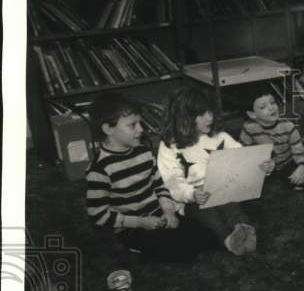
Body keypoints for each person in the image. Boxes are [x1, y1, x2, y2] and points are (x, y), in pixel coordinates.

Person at [86, 91, 215, 265]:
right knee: (183, 253)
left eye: (140, 123)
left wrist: (169, 211)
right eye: (132, 125)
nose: (141, 129)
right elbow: (98, 215)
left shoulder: (144, 152)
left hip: (158, 213)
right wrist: (139, 222)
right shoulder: (99, 169)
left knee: (207, 236)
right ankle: (140, 251)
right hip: (131, 226)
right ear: (109, 129)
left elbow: (159, 186)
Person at [157, 87, 270, 256]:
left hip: (222, 189)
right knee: (209, 215)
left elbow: (242, 157)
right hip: (192, 198)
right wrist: (192, 194)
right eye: (202, 114)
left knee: (231, 208)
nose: (209, 117)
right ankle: (227, 239)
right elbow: (172, 181)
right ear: (184, 118)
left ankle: (244, 230)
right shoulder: (170, 146)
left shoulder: (220, 136)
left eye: (210, 111)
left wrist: (261, 166)